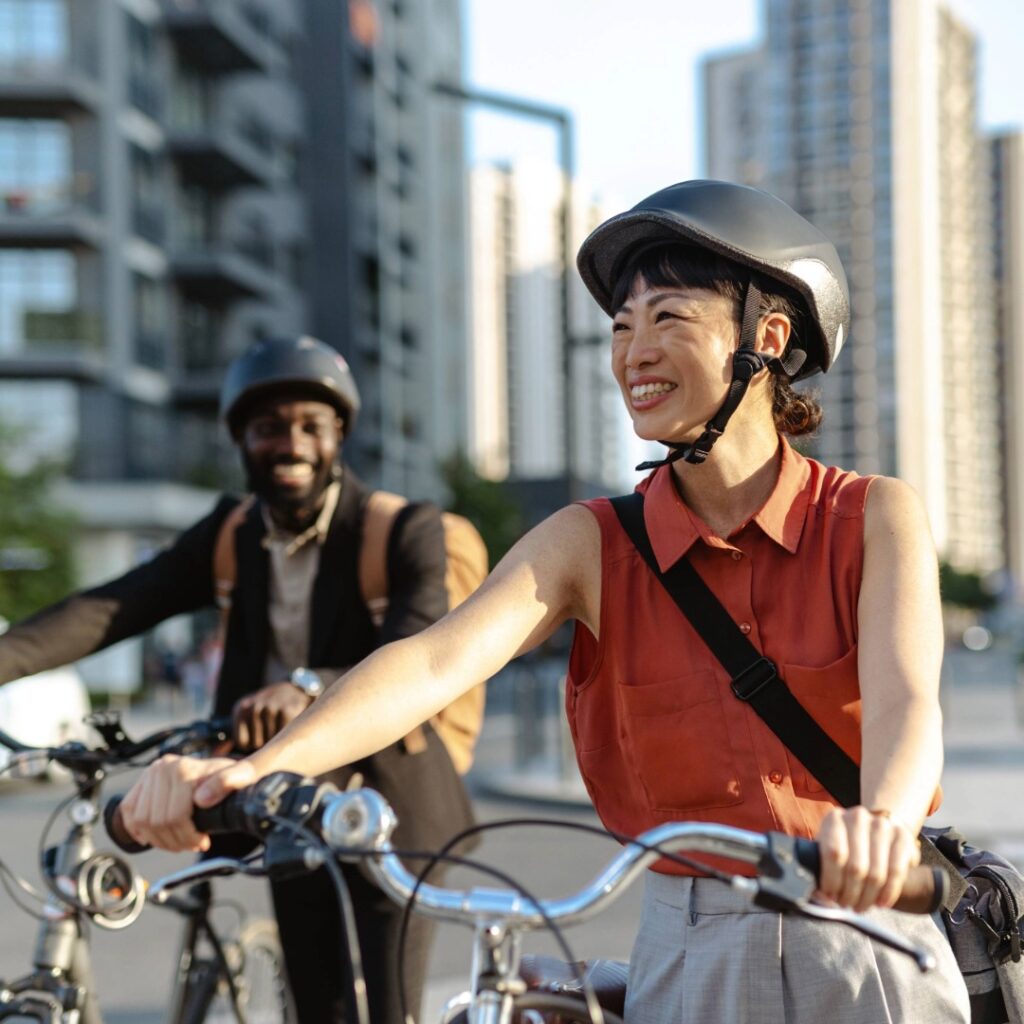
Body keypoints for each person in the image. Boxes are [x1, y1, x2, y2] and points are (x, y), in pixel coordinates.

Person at [120, 182, 971, 1022]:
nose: (633, 351)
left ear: (767, 338)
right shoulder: (592, 544)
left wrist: (882, 827)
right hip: (689, 942)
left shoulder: (871, 515)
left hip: (869, 924)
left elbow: (905, 704)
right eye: (620, 327)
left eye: (668, 318)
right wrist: (252, 773)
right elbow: (433, 661)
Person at [0, 335, 475, 1023]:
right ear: (241, 441)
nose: (291, 444)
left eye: (311, 425)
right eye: (267, 428)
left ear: (338, 434)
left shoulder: (402, 529)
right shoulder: (230, 532)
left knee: (388, 1006)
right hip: (275, 794)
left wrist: (307, 687)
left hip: (386, 799)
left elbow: (419, 648)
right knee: (316, 1004)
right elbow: (116, 605)